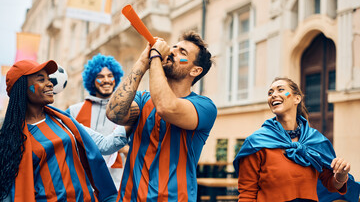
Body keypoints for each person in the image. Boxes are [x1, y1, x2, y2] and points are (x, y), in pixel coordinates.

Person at [106, 31, 217, 201]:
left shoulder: (205, 107)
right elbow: (114, 113)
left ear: (195, 70)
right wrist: (143, 61)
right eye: (174, 47)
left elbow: (166, 107)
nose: (173, 51)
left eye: (183, 53)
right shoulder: (143, 99)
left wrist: (156, 57)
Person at [0, 59, 117, 202]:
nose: (50, 83)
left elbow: (103, 145)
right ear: (22, 87)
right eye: (41, 79)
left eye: (49, 79)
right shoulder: (11, 139)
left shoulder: (63, 120)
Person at [233, 77, 360, 202]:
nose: (273, 95)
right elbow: (247, 195)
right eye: (270, 93)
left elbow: (331, 185)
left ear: (297, 98)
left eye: (281, 90)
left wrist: (341, 175)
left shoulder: (315, 141)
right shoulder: (256, 142)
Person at [67, 53, 128, 189]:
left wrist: (123, 148)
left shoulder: (127, 111)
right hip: (82, 183)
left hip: (115, 184)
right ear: (92, 80)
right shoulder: (74, 111)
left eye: (110, 76)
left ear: (115, 78)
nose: (106, 80)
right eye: (100, 76)